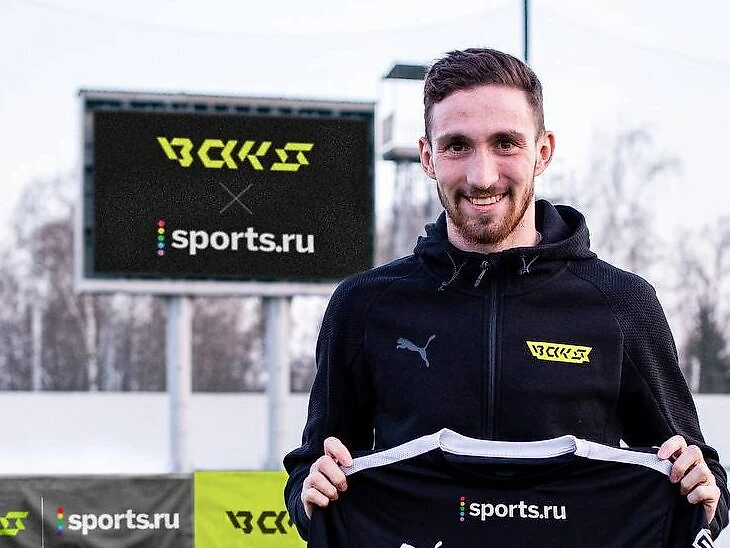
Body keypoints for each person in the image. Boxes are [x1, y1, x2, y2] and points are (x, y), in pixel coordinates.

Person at [283, 47, 729, 541]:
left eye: (506, 143)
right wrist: (310, 494)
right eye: (457, 146)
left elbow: (703, 480)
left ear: (543, 151)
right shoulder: (363, 306)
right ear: (428, 157)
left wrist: (705, 495)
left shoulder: (621, 303)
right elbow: (310, 472)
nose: (482, 176)